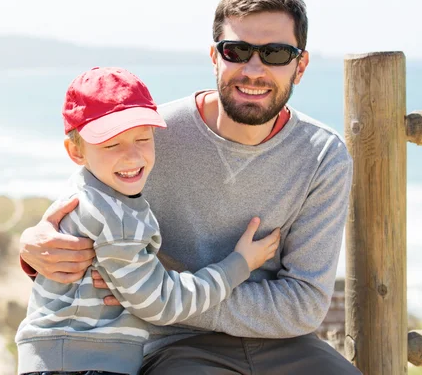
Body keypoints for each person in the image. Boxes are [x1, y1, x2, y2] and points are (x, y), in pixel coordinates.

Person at [20, 0, 361, 374]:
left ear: (299, 66)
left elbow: (303, 305)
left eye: (275, 53)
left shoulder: (323, 155)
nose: (254, 70)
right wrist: (31, 245)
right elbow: (83, 208)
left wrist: (157, 295)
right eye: (237, 50)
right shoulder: (148, 136)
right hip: (174, 345)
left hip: (284, 346)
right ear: (215, 57)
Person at [15, 66, 281, 375]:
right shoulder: (117, 218)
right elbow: (162, 304)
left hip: (51, 357)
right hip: (91, 364)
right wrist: (239, 265)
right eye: (112, 144)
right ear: (76, 151)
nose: (132, 156)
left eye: (143, 138)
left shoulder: (83, 189)